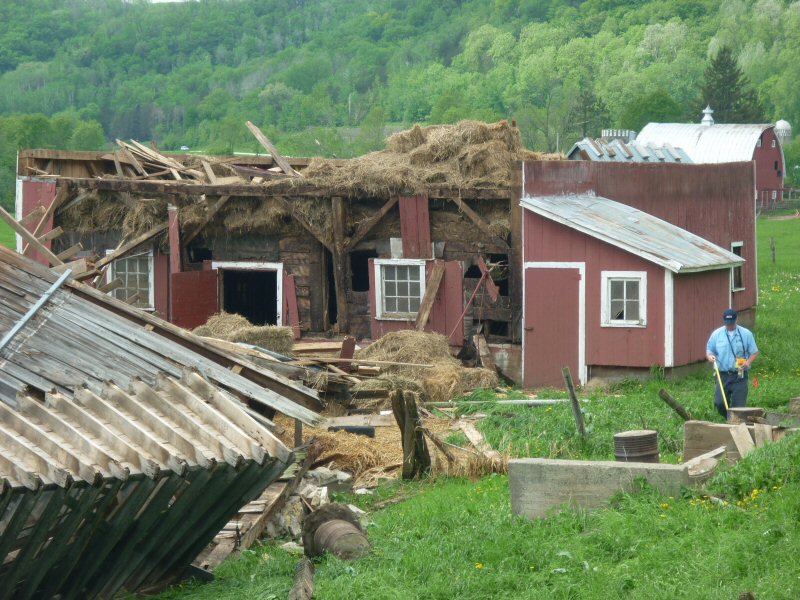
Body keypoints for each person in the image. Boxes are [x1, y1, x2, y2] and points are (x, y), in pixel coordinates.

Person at [706, 309, 759, 418]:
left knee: (739, 406)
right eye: (727, 323)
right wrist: (710, 357)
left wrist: (748, 362)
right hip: (722, 375)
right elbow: (709, 351)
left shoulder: (746, 334)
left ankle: (735, 422)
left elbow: (754, 352)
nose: (729, 325)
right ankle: (729, 419)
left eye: (732, 323)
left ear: (736, 320)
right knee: (720, 403)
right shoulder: (717, 334)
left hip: (740, 375)